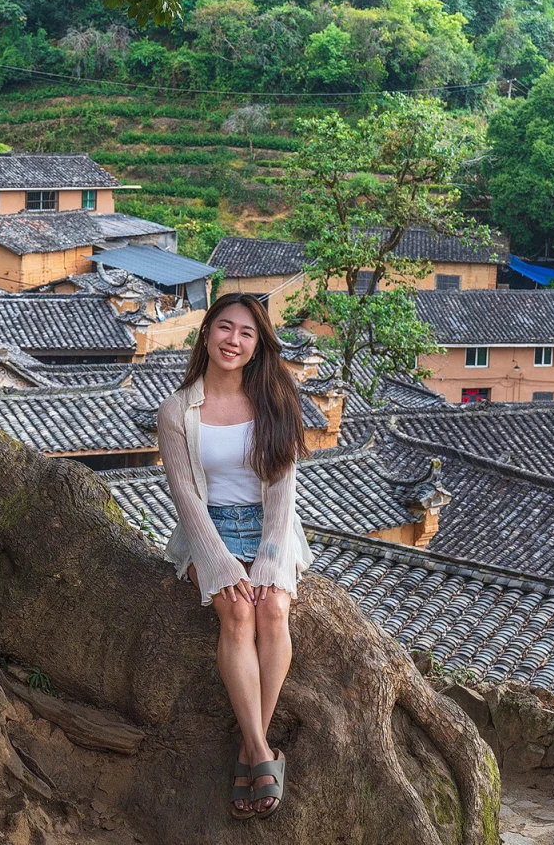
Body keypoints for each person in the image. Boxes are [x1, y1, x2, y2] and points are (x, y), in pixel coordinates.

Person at [156, 293, 312, 820]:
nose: (234, 341)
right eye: (225, 328)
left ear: (257, 345)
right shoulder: (178, 410)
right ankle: (263, 754)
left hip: (269, 525)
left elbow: (283, 490)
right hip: (209, 529)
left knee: (272, 608)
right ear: (206, 334)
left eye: (246, 333)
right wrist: (220, 562)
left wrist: (270, 557)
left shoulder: (276, 401)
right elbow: (184, 495)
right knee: (237, 610)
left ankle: (252, 748)